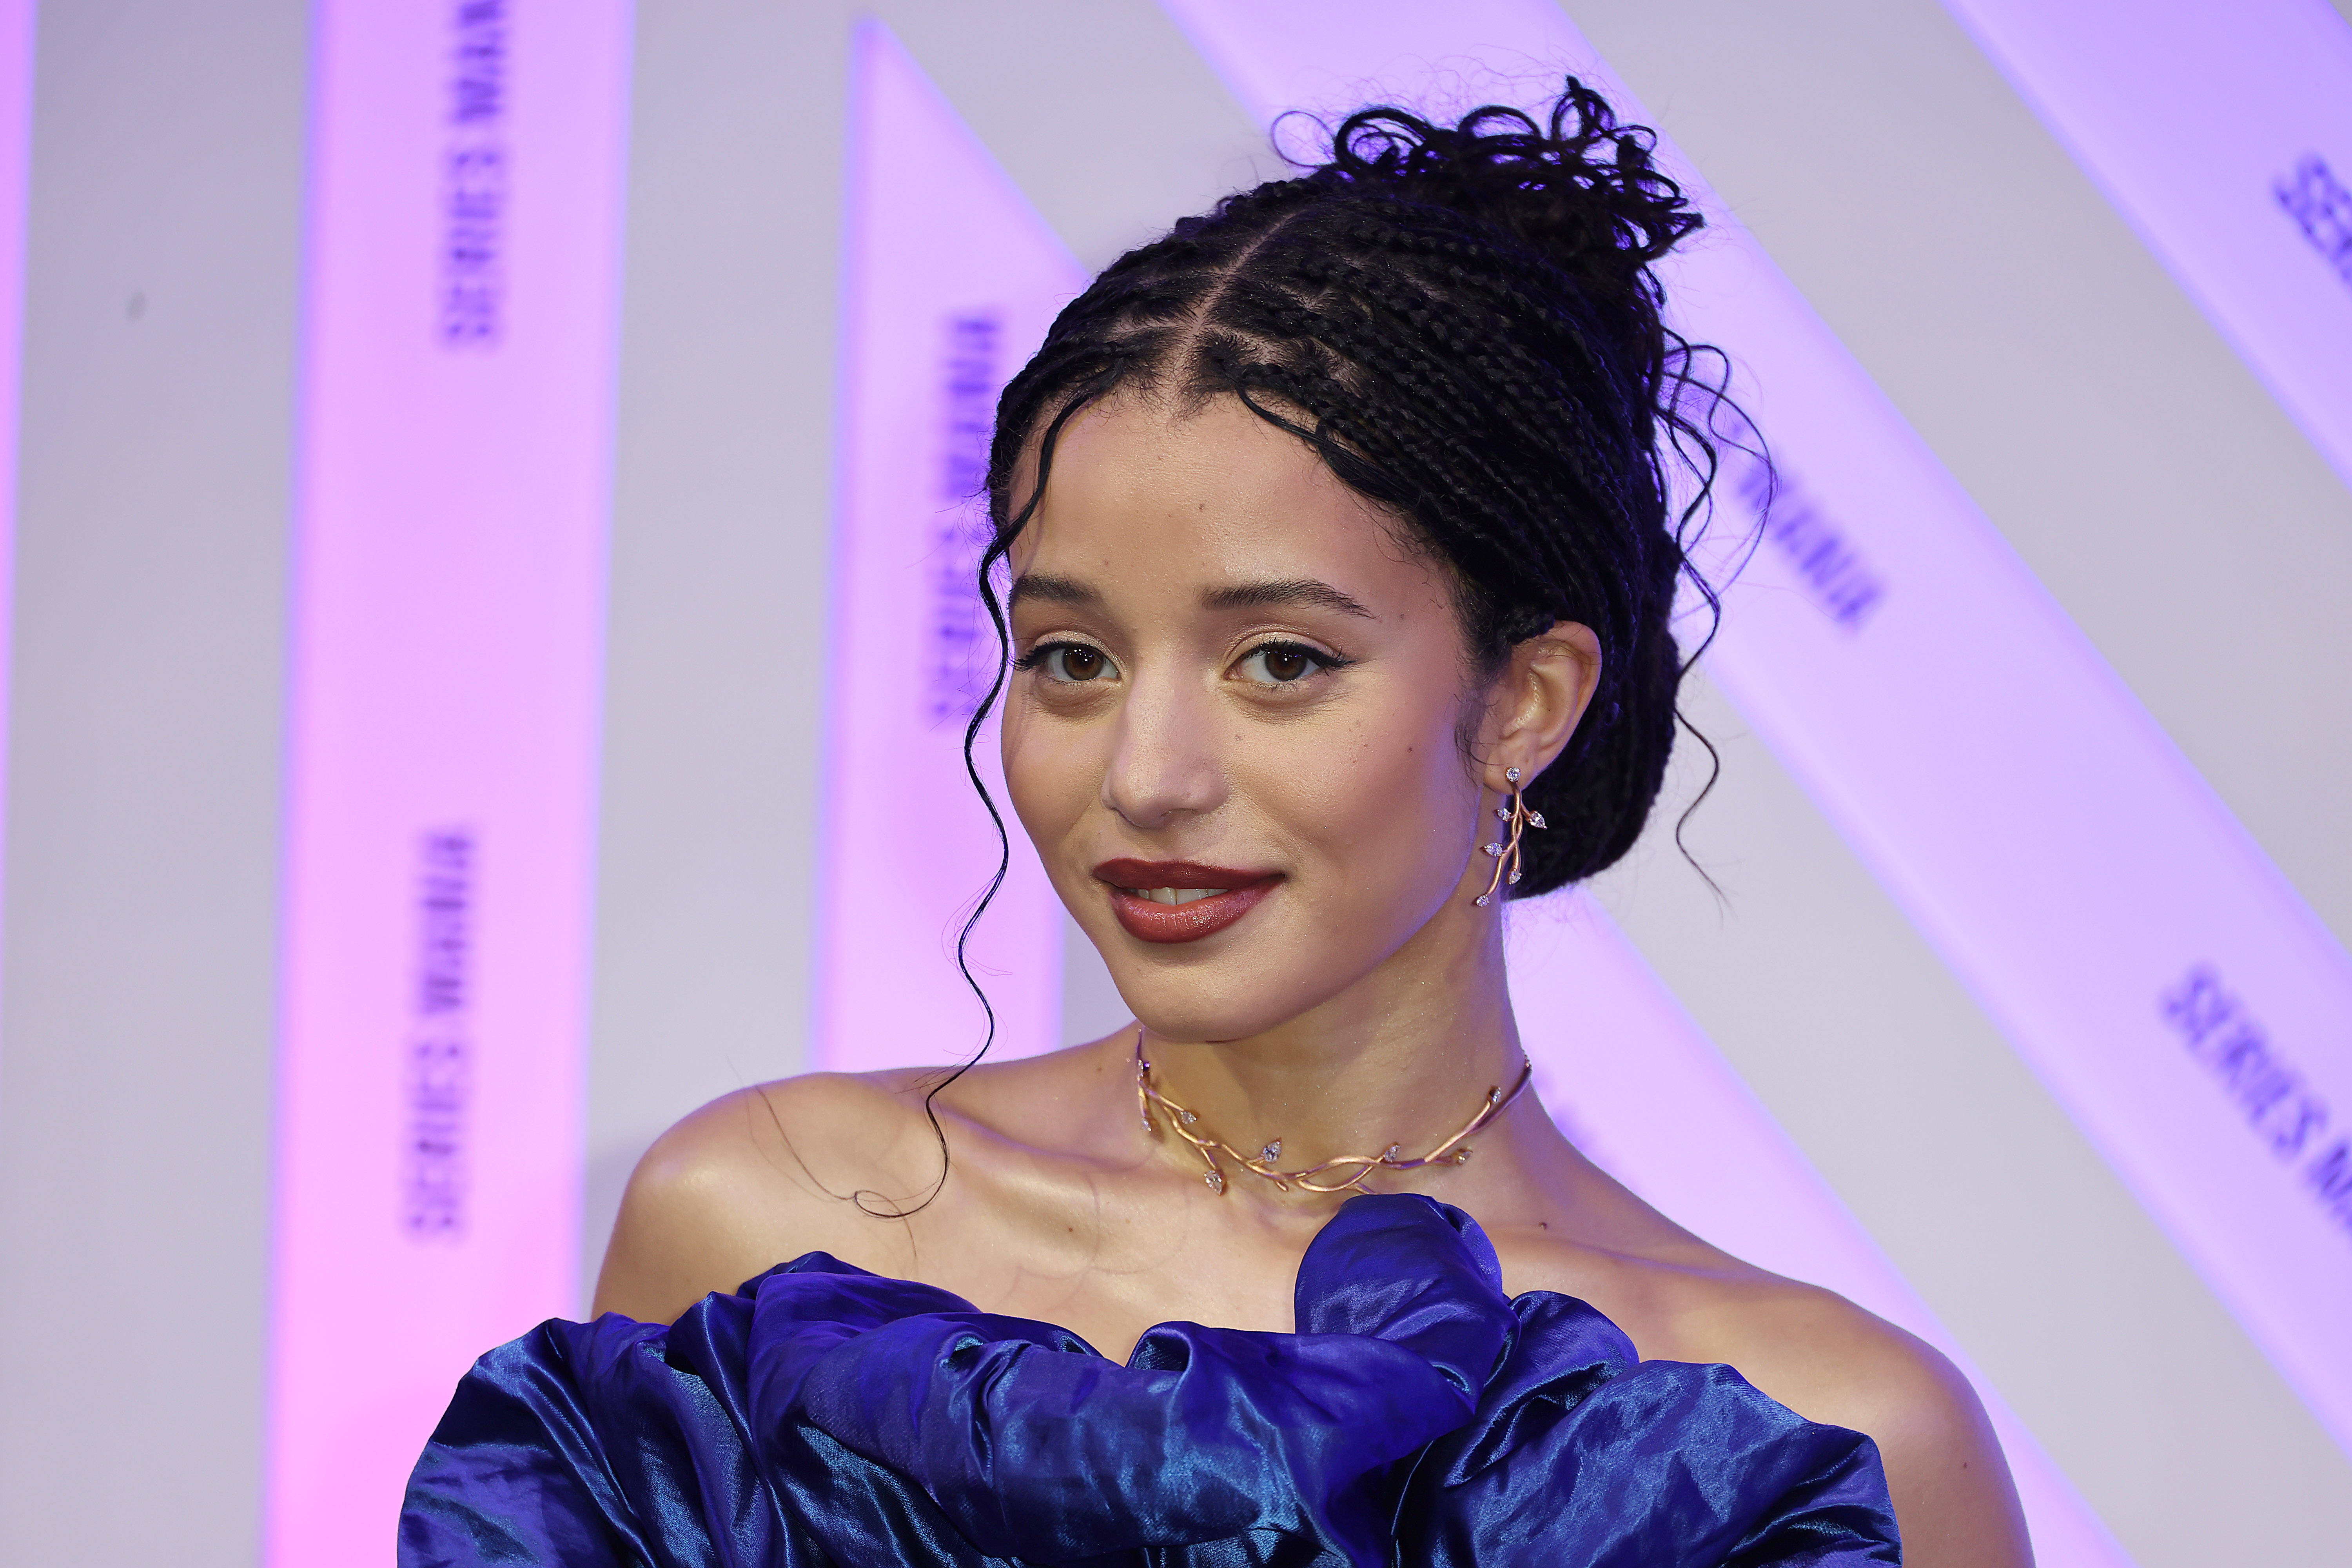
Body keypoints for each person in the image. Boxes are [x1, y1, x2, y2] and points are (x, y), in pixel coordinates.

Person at [403, 80, 2031, 1566]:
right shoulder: (767, 1228)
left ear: (1526, 701)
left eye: (1281, 662)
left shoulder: (1818, 1448)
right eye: (1073, 657)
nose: (1149, 774)